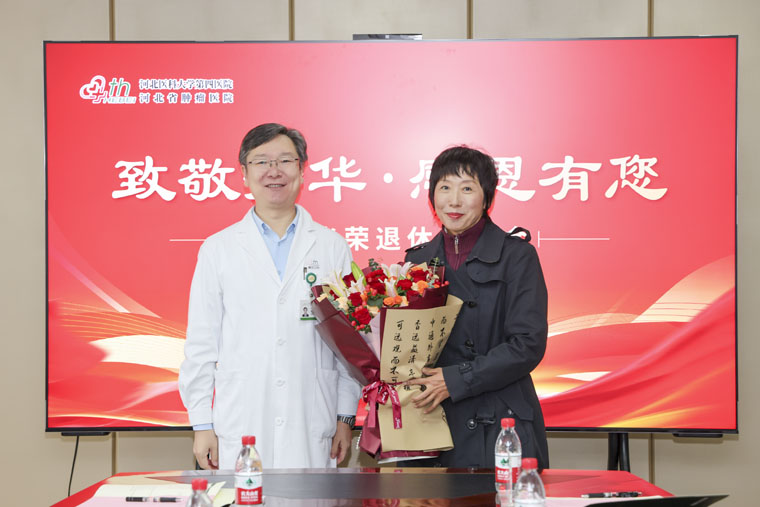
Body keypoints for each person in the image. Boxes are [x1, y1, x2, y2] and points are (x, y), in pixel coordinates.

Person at [179, 123, 360, 470]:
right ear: (244, 174)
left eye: (285, 161)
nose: (274, 171)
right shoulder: (218, 249)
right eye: (261, 161)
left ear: (302, 170)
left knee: (310, 495)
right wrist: (201, 423)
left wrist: (345, 415)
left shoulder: (331, 246)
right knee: (246, 492)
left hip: (312, 418)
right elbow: (201, 343)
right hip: (242, 417)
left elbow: (347, 343)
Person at [405, 145, 549, 469]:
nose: (454, 201)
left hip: (501, 421)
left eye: (467, 189)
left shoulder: (517, 256)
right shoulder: (416, 261)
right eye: (445, 187)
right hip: (433, 421)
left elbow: (528, 344)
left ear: (487, 198)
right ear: (432, 196)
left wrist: (457, 380)